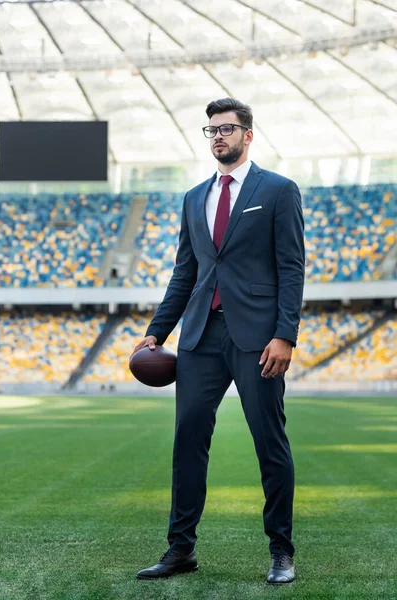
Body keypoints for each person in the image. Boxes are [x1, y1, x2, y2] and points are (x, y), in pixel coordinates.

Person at [131, 97, 305, 585]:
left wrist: (285, 334)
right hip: (199, 338)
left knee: (270, 442)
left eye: (227, 129)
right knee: (188, 441)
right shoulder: (193, 198)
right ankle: (179, 549)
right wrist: (155, 332)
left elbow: (292, 268)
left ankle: (281, 551)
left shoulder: (278, 190)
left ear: (248, 135)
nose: (219, 137)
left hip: (257, 338)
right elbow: (185, 273)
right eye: (211, 131)